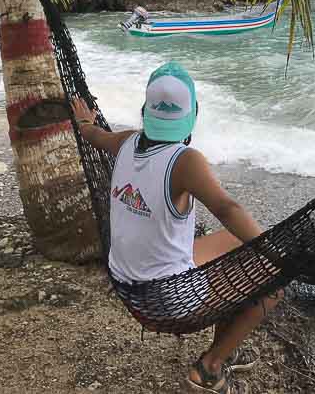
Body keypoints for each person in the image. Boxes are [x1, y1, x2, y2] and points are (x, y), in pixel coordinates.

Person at [71, 61, 278, 393]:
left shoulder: (125, 142)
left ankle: (222, 347)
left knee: (234, 243)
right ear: (193, 112)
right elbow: (228, 207)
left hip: (128, 284)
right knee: (271, 280)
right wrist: (278, 253)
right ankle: (209, 369)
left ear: (145, 111)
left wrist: (83, 121)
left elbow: (94, 135)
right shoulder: (185, 160)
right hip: (167, 302)